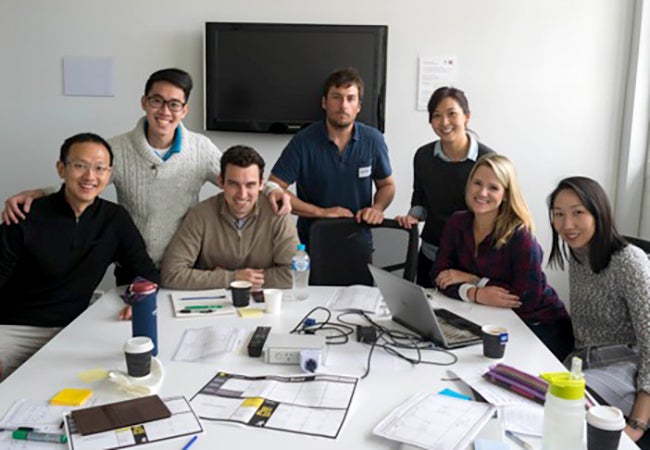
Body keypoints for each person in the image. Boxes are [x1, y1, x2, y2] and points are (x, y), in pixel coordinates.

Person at [2, 68, 290, 280]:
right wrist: (40, 193)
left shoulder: (200, 149)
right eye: (157, 101)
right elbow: (85, 185)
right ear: (144, 103)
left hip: (185, 268)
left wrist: (273, 191)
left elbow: (238, 180)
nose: (165, 111)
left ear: (184, 109)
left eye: (174, 104)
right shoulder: (117, 149)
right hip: (135, 268)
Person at [0, 133, 159, 381]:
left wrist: (136, 299)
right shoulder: (25, 215)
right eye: (80, 166)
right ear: (61, 169)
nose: (90, 176)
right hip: (14, 327)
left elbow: (145, 270)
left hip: (75, 326)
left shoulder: (114, 219)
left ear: (109, 174)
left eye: (99, 168)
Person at [432, 154, 573, 361]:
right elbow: (439, 274)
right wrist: (474, 293)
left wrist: (472, 279)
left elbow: (524, 300)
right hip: (491, 317)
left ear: (506, 194)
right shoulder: (457, 223)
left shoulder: (521, 237)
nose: (482, 192)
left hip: (540, 326)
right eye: (477, 183)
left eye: (493, 187)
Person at [548, 176, 650, 442]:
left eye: (577, 213)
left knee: (559, 410)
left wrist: (637, 424)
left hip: (626, 368)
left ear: (599, 213)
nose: (566, 224)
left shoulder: (630, 262)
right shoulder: (578, 254)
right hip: (586, 362)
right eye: (558, 214)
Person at [269, 67, 395, 246]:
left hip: (358, 241)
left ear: (358, 106)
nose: (343, 105)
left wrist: (377, 209)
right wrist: (321, 212)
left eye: (350, 98)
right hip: (312, 242)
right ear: (324, 102)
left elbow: (387, 185)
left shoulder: (373, 140)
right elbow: (274, 187)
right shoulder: (303, 141)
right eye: (336, 97)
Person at [161, 145, 299, 290]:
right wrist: (233, 278)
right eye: (234, 184)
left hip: (265, 303)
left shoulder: (277, 213)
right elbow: (171, 273)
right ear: (221, 182)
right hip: (212, 302)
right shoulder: (200, 214)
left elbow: (294, 274)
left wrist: (244, 280)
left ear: (261, 184)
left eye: (250, 185)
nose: (242, 194)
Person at [395, 87, 494, 288]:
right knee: (427, 315)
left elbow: (495, 212)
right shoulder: (423, 156)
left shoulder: (488, 161)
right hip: (432, 254)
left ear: (466, 117)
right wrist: (412, 217)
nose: (444, 122)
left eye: (452, 114)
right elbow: (420, 198)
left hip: (471, 259)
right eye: (437, 116)